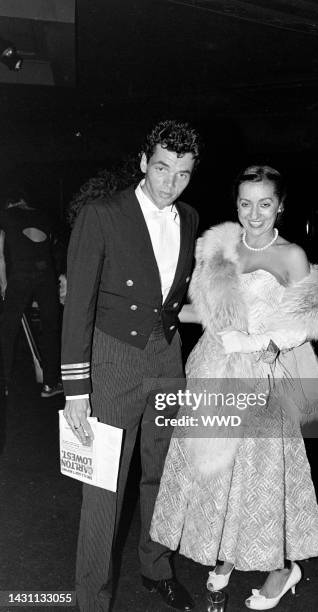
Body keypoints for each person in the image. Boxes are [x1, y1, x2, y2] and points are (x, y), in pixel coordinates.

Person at [150, 165, 318, 610]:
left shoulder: (291, 256)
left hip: (259, 377)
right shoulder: (220, 249)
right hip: (213, 370)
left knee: (258, 478)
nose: (255, 214)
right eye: (246, 203)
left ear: (281, 206)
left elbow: (306, 325)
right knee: (217, 474)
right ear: (236, 205)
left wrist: (256, 342)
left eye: (265, 203)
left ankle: (281, 570)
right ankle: (227, 557)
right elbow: (200, 311)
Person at [61, 119, 202, 612]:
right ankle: (90, 601)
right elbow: (77, 303)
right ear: (144, 162)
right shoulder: (102, 214)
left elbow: (174, 299)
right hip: (113, 360)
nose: (171, 183)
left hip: (166, 358)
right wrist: (77, 390)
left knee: (162, 471)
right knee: (104, 490)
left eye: (183, 173)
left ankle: (155, 567)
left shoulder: (190, 216)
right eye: (163, 169)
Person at [0, 190, 62, 397]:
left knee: (8, 329)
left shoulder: (6, 216)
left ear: (11, 204)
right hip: (46, 274)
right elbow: (54, 246)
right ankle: (50, 383)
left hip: (21, 274)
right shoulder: (44, 215)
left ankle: (4, 384)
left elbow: (0, 256)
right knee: (51, 328)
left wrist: (4, 284)